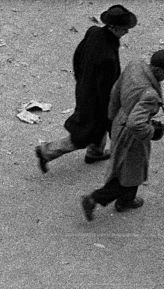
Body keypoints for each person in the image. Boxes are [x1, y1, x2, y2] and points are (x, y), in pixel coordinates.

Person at [34, 5, 137, 173]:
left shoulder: (94, 32)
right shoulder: (108, 58)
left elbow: (77, 56)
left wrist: (80, 78)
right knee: (84, 134)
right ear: (114, 28)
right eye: (125, 29)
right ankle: (47, 151)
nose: (127, 32)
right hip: (95, 101)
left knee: (97, 127)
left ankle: (95, 152)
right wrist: (112, 110)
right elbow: (105, 91)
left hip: (84, 88)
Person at [81, 49, 164, 219]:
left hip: (120, 120)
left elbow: (115, 91)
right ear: (157, 70)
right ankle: (96, 199)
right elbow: (136, 123)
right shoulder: (150, 95)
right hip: (132, 135)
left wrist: (111, 119)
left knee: (125, 168)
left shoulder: (135, 66)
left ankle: (125, 201)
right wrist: (153, 132)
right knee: (133, 172)